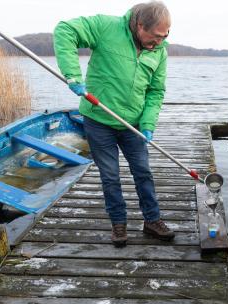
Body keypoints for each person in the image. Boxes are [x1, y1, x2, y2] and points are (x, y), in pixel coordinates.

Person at [53, 1, 174, 247]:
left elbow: (155, 92)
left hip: (133, 124)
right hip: (99, 121)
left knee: (143, 172)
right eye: (155, 37)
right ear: (140, 26)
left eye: (165, 37)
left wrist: (148, 123)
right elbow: (65, 30)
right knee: (110, 175)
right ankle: (118, 224)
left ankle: (152, 220)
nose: (159, 42)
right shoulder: (106, 27)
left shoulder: (160, 51)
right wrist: (72, 74)